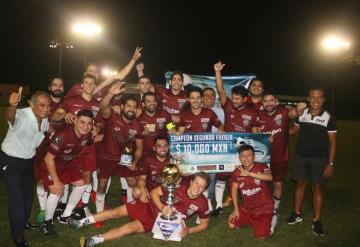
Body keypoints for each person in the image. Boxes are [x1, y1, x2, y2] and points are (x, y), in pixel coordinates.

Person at [69, 172, 210, 247]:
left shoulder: (202, 203)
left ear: (205, 189)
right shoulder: (177, 186)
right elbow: (154, 192)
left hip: (156, 222)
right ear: (191, 181)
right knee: (115, 212)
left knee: (128, 228)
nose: (197, 188)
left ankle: (93, 240)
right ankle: (81, 222)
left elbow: (204, 224)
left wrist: (188, 230)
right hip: (149, 205)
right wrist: (161, 206)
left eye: (201, 186)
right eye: (196, 183)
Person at [0, 88, 50, 246]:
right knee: (17, 199)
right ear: (32, 104)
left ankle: (23, 222)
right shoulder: (22, 114)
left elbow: (42, 136)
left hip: (28, 161)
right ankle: (17, 234)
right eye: (41, 105)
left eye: (48, 105)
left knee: (28, 195)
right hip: (10, 161)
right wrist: (12, 105)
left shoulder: (45, 119)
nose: (45, 109)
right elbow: (11, 117)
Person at [286, 87, 337, 236]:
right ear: (308, 99)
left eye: (319, 97)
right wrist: (275, 129)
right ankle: (297, 213)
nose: (316, 100)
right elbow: (292, 131)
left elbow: (333, 143)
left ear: (324, 99)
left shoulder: (329, 118)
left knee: (317, 188)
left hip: (320, 159)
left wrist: (331, 164)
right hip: (301, 156)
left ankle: (317, 220)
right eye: (313, 97)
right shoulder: (302, 114)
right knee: (300, 184)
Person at [52, 74, 104, 214]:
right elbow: (55, 116)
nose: (89, 85)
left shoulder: (97, 104)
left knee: (86, 176)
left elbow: (100, 123)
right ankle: (61, 204)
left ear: (94, 86)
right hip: (70, 146)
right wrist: (64, 115)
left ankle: (77, 207)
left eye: (92, 83)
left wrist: (97, 129)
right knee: (65, 175)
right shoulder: (71, 100)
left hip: (88, 147)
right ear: (82, 85)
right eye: (86, 83)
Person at [213, 61, 260, 215]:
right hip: (227, 149)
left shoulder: (252, 112)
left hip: (243, 151)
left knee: (243, 176)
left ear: (245, 99)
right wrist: (217, 71)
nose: (234, 101)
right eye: (233, 98)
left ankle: (248, 204)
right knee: (221, 175)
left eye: (238, 99)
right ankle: (218, 205)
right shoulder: (228, 106)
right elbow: (220, 90)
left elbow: (255, 134)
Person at [258, 90, 306, 233]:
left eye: (271, 100)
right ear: (262, 103)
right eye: (265, 101)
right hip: (263, 157)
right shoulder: (258, 115)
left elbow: (300, 108)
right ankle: (263, 205)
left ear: (276, 102)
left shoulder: (284, 112)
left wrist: (296, 106)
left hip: (281, 156)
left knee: (278, 183)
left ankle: (275, 207)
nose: (268, 103)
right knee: (262, 182)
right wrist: (264, 139)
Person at [96, 83, 144, 217]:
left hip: (125, 158)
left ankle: (131, 208)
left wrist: (135, 161)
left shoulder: (138, 126)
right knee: (102, 184)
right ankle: (100, 213)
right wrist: (110, 94)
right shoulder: (112, 116)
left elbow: (139, 148)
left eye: (134, 107)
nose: (131, 109)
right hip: (107, 156)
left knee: (133, 181)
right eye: (129, 106)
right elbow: (103, 107)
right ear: (122, 106)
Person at [35, 76, 66, 224]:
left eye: (60, 85)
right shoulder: (45, 102)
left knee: (60, 176)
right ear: (50, 87)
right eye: (55, 85)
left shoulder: (68, 103)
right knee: (42, 180)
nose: (58, 87)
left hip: (61, 148)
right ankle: (43, 209)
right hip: (43, 146)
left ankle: (58, 205)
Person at [228, 145, 273, 239]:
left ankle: (273, 218)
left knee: (261, 237)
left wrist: (250, 174)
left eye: (249, 155)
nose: (246, 158)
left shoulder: (261, 166)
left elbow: (270, 177)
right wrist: (236, 210)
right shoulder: (237, 171)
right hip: (247, 208)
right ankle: (253, 220)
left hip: (263, 208)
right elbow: (234, 190)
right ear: (239, 158)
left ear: (254, 157)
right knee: (231, 224)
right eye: (243, 156)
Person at [64, 47, 143, 102]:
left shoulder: (104, 88)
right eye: (90, 71)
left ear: (98, 75)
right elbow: (89, 93)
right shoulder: (77, 88)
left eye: (96, 71)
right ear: (85, 74)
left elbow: (120, 76)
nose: (93, 74)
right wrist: (106, 82)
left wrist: (133, 59)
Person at [201, 87, 225, 213]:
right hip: (195, 151)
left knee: (212, 176)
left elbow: (223, 126)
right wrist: (172, 129)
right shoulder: (191, 110)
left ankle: (208, 200)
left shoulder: (219, 112)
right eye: (206, 95)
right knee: (197, 177)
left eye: (212, 95)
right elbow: (171, 120)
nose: (209, 97)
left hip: (214, 150)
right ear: (201, 98)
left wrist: (222, 130)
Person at [136, 136, 170, 201]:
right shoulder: (148, 159)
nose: (163, 149)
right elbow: (142, 179)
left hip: (166, 191)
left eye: (165, 146)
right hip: (150, 190)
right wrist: (143, 190)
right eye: (159, 146)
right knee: (137, 191)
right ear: (154, 148)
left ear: (168, 147)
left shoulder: (173, 160)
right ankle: (142, 207)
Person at [138, 92, 171, 156]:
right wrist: (142, 132)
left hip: (162, 152)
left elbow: (171, 127)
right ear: (143, 104)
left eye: (154, 101)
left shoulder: (164, 114)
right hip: (144, 154)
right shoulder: (138, 116)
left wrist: (172, 129)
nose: (152, 103)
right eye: (149, 101)